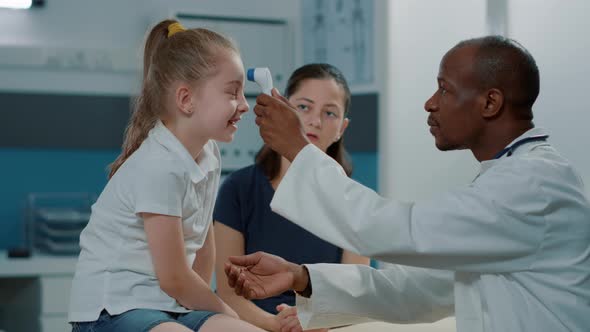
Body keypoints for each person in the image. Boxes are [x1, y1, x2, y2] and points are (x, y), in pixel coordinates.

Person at [225, 36, 590, 332]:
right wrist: (301, 277)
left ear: (490, 102)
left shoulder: (531, 186)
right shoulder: (508, 177)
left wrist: (297, 149)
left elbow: (397, 229)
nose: (430, 103)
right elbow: (422, 290)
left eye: (444, 89)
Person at [68, 20, 265, 332]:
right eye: (233, 92)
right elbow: (174, 276)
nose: (244, 105)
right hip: (112, 310)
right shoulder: (159, 164)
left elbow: (202, 243)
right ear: (186, 100)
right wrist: (227, 311)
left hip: (168, 305)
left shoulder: (209, 153)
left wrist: (213, 316)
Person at [213, 64, 370, 332]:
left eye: (329, 113)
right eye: (304, 107)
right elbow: (228, 295)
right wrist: (275, 324)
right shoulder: (238, 189)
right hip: (252, 324)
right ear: (284, 109)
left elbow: (355, 293)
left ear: (342, 128)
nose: (315, 121)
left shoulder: (353, 199)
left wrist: (312, 320)